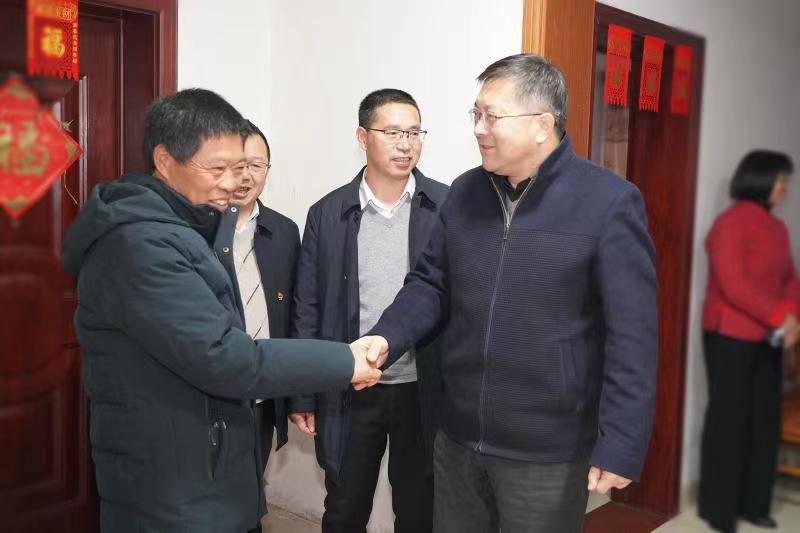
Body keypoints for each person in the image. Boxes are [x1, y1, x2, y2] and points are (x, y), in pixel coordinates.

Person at [60, 88, 381, 533]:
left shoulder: (192, 225)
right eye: (218, 169)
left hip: (205, 464)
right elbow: (225, 357)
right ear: (165, 160)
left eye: (242, 166)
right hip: (170, 487)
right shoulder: (140, 246)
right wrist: (345, 360)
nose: (233, 182)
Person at [360, 54, 659, 533]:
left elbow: (633, 334)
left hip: (547, 452)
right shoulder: (465, 192)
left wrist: (622, 441)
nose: (478, 128)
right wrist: (386, 336)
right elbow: (431, 283)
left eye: (492, 116)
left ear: (541, 124)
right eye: (476, 114)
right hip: (458, 437)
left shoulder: (608, 202)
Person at [289, 88, 448, 533]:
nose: (405, 144)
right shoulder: (328, 213)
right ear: (363, 137)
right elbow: (307, 307)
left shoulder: (446, 206)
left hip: (423, 386)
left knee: (419, 510)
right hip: (352, 384)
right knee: (345, 507)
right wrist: (304, 392)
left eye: (414, 133)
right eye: (392, 133)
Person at [698, 151, 799, 533]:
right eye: (779, 179)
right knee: (730, 421)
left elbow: (790, 279)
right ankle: (719, 510)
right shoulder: (729, 223)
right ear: (758, 179)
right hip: (729, 336)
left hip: (768, 338)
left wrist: (790, 316)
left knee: (764, 421)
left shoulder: (778, 229)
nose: (784, 187)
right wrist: (780, 316)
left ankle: (755, 506)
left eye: (785, 180)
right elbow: (734, 285)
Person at [231, 120, 299, 496]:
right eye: (236, 164)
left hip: (262, 391)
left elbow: (294, 314)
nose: (246, 175)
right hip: (208, 393)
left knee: (251, 493)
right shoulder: (195, 229)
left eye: (256, 165)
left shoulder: (284, 231)